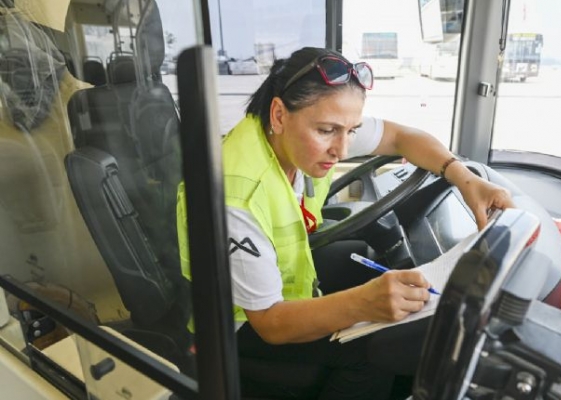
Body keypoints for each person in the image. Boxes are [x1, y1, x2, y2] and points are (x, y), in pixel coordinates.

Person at [176, 46, 514, 399]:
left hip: (286, 277)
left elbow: (402, 137)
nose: (342, 148)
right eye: (327, 131)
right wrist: (364, 303)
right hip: (236, 324)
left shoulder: (300, 134)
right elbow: (271, 324)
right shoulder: (234, 199)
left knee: (364, 259)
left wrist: (466, 179)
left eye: (352, 130)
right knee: (374, 350)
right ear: (278, 115)